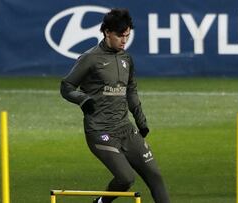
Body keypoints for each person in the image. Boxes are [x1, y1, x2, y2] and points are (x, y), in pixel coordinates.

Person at [60, 8, 170, 203]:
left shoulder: (126, 58)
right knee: (126, 178)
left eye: (127, 36)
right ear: (106, 31)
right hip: (100, 131)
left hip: (125, 128)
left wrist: (140, 120)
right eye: (120, 36)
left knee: (156, 176)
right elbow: (66, 86)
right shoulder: (90, 58)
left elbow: (131, 90)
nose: (124, 40)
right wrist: (82, 99)